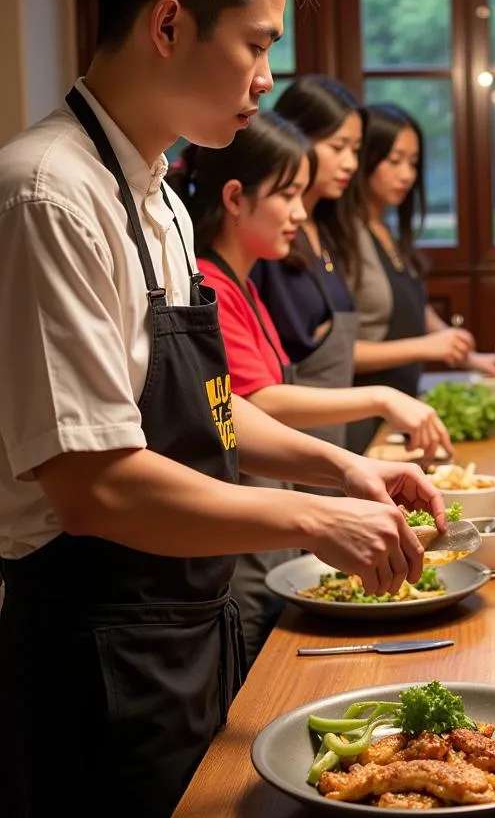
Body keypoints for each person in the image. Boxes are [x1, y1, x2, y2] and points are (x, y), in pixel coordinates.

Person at [0, 0, 443, 818]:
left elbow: (204, 412)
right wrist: (312, 515)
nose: (263, 79)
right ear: (168, 23)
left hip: (187, 622)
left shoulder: (156, 195)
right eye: (255, 44)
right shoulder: (49, 194)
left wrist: (341, 465)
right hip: (98, 644)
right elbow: (93, 483)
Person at [174, 111, 452, 664]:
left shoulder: (245, 286)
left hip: (269, 527)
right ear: (234, 198)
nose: (302, 213)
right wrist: (378, 398)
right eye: (289, 194)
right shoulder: (211, 282)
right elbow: (254, 403)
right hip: (245, 544)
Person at [346, 102, 495, 453]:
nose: (407, 175)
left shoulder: (386, 230)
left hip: (401, 411)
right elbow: (334, 356)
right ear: (365, 157)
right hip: (363, 423)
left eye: (413, 163)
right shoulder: (345, 237)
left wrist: (469, 355)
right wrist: (428, 347)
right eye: (394, 161)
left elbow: (414, 308)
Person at [250, 76, 366, 461]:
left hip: (332, 437)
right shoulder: (269, 239)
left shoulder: (328, 228)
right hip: (285, 445)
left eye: (356, 149)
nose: (350, 163)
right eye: (338, 147)